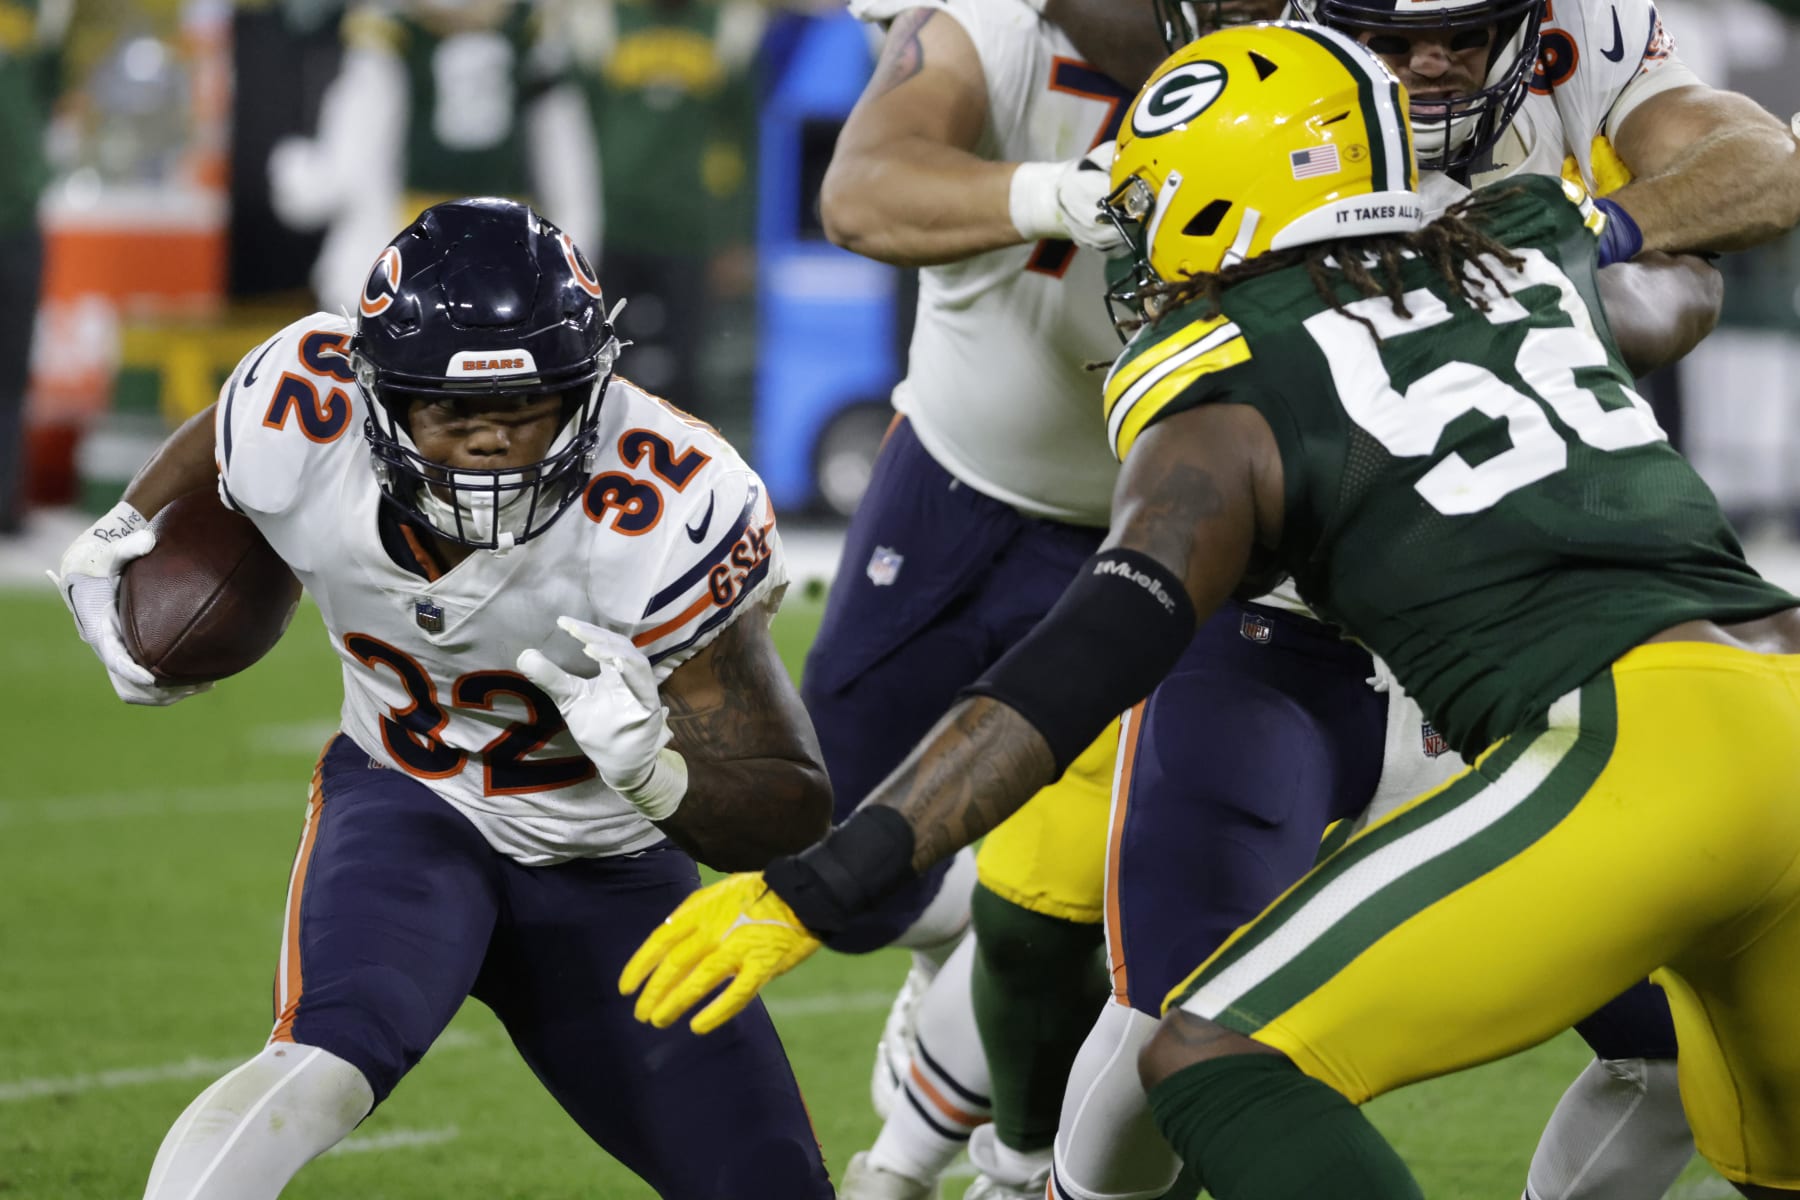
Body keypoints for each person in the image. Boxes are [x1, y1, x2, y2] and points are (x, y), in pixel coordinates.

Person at [618, 22, 1800, 1200]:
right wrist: (1587, 229)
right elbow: (1672, 298)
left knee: (1214, 1054)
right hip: (1777, 683)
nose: (1131, 233)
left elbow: (1085, 658)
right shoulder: (1538, 244)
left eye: (1148, 202)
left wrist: (830, 879)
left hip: (1616, 742)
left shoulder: (1221, 392)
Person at [49, 199, 834, 1200]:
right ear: (373, 395)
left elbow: (793, 807)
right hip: (409, 807)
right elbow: (228, 430)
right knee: (323, 1064)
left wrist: (658, 773)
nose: (493, 443)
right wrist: (124, 523)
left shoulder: (669, 502)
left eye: (528, 408)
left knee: (771, 1187)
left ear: (590, 391)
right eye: (452, 411)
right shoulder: (303, 401)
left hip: (609, 870)